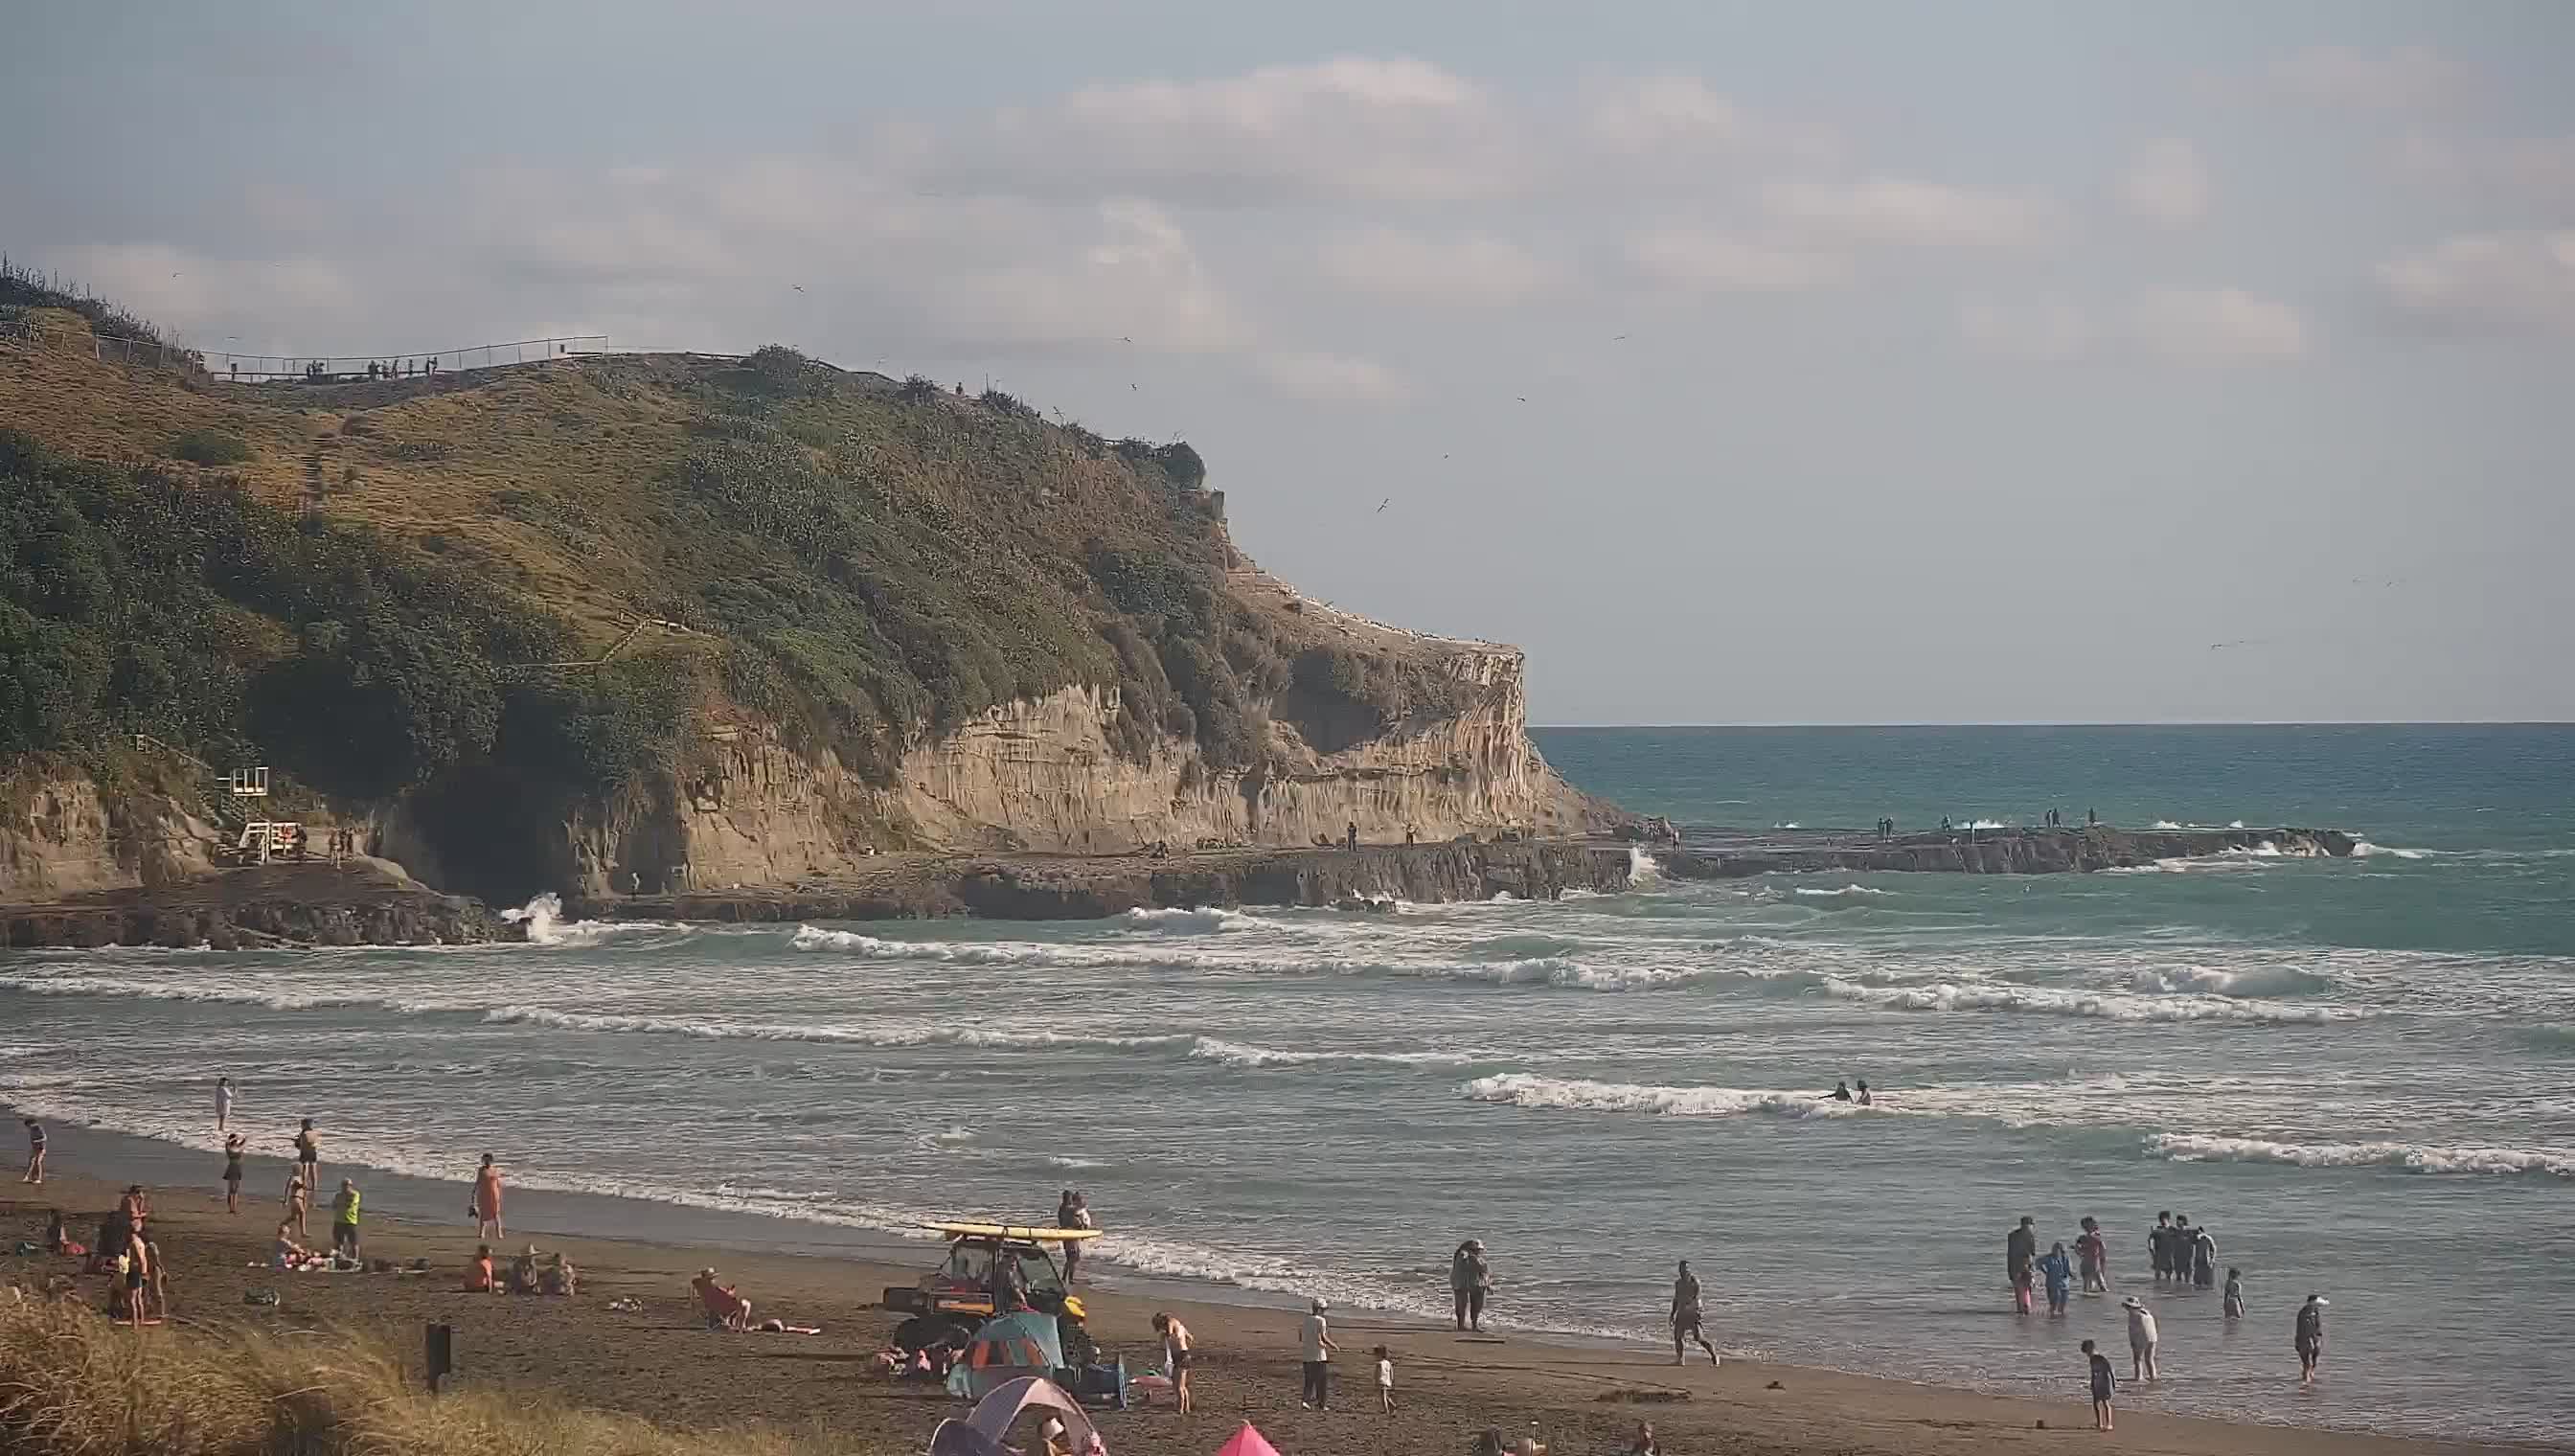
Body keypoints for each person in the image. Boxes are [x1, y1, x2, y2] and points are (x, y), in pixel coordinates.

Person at [1670, 1260, 1719, 1365]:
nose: (1683, 1271)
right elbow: (1676, 1299)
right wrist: (1672, 1314)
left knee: (1699, 1338)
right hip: (1681, 1312)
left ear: (1689, 1270)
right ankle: (1680, 1360)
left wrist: (1695, 1309)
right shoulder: (1678, 1283)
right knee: (1678, 1337)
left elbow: (1698, 1297)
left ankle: (1714, 1355)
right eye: (1681, 1269)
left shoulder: (1694, 1281)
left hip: (1693, 1312)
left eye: (1686, 1269)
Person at [1298, 1297, 1337, 1409]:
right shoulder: (1321, 1321)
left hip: (1307, 1354)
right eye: (1323, 1309)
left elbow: (1301, 1337)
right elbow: (1323, 1337)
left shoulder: (1306, 1320)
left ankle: (1305, 1401)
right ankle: (1322, 1404)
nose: (1324, 1312)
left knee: (1309, 1381)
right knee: (1321, 1382)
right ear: (1319, 1309)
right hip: (1319, 1355)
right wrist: (1333, 1345)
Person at [1151, 1311, 1194, 1413]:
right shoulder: (1180, 1326)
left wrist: (1163, 1337)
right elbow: (1190, 1338)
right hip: (1184, 1355)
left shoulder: (1170, 1322)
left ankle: (1180, 1409)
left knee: (1178, 1386)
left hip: (1180, 1356)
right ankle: (1186, 1407)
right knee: (1181, 1386)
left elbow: (1169, 1333)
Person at [693, 1267, 753, 1331]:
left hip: (712, 1307)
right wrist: (731, 1291)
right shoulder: (717, 1289)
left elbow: (694, 1285)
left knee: (714, 1309)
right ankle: (742, 1326)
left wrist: (694, 1301)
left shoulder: (697, 1283)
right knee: (746, 1304)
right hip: (723, 1308)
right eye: (713, 1278)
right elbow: (730, 1296)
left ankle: (719, 1324)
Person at [1451, 1240, 1492, 1331]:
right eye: (1475, 1250)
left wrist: (1488, 1284)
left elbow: (1485, 1272)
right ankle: (1462, 1325)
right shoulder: (1463, 1256)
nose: (1478, 1252)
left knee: (1476, 1303)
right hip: (1460, 1282)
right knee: (1462, 1304)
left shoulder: (1477, 1259)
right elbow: (1464, 1257)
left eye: (1478, 1250)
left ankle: (1473, 1325)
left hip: (1472, 1282)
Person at [2123, 1296, 2160, 1381]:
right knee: (2149, 1359)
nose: (2126, 1308)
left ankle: (2138, 1377)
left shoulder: (2133, 1315)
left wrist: (2133, 1342)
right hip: (2152, 1338)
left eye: (2127, 1306)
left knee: (2137, 1359)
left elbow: (2133, 1330)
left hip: (2141, 1338)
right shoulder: (2147, 1313)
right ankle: (2153, 1376)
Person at [2006, 1216, 2038, 1315]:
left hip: (2015, 1265)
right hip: (2023, 1264)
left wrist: (2010, 1268)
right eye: (2031, 1225)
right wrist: (2032, 1267)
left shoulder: (2012, 1236)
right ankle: (2025, 1309)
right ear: (2029, 1225)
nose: (2032, 1227)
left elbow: (2010, 1253)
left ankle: (2021, 1309)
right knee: (2026, 1287)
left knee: (2019, 1288)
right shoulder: (2029, 1235)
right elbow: (2032, 1253)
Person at [2084, 1338, 2116, 1431]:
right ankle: (2099, 1424)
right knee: (2096, 1403)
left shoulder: (2101, 1358)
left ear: (2091, 1349)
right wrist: (2092, 1383)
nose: (2087, 1354)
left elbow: (2111, 1370)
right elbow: (2093, 1372)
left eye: (2087, 1352)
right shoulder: (2092, 1359)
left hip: (2105, 1382)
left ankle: (2109, 1424)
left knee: (2105, 1403)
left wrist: (2113, 1383)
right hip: (2097, 1382)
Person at [2295, 1293, 2327, 1384]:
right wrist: (2310, 1339)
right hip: (2304, 1338)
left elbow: (2317, 1324)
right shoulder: (2304, 1312)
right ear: (2311, 1302)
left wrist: (2318, 1337)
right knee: (2306, 1361)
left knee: (2314, 1359)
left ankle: (2309, 1374)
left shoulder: (2315, 1310)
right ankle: (2306, 1380)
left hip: (2315, 1337)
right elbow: (2304, 1328)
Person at [473, 1153, 505, 1240]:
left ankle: (499, 1233)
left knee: (496, 1214)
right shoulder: (481, 1170)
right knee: (483, 1214)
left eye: (488, 1160)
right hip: (484, 1195)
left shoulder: (495, 1170)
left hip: (494, 1194)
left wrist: (500, 1195)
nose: (487, 1162)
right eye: (485, 1160)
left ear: (491, 1160)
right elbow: (478, 1182)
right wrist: (474, 1191)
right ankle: (481, 1232)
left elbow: (498, 1184)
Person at [2039, 1240, 2075, 1315]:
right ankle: (2051, 1318)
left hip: (2064, 1284)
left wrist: (2072, 1275)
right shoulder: (2048, 1258)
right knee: (2054, 1304)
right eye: (2055, 1248)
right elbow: (2037, 1263)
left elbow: (2069, 1270)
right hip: (2052, 1285)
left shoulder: (2066, 1258)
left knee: (2062, 1307)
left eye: (2059, 1249)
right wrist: (2044, 1271)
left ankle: (2059, 1320)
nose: (2056, 1251)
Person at [330, 1177, 361, 1260]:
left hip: (350, 1221)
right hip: (338, 1220)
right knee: (338, 1242)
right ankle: (338, 1258)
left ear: (350, 1186)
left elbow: (349, 1204)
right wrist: (341, 1203)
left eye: (347, 1185)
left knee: (353, 1242)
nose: (345, 1187)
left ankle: (355, 1259)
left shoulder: (355, 1194)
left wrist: (340, 1203)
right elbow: (333, 1205)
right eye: (343, 1185)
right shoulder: (338, 1195)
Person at [2075, 1217, 2108, 1294]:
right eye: (2087, 1225)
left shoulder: (2095, 1237)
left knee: (2100, 1285)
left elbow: (2103, 1249)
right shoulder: (2083, 1237)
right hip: (2088, 1265)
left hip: (2094, 1265)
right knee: (2089, 1286)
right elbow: (2078, 1248)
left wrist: (2081, 1252)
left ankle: (2099, 1298)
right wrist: (2081, 1252)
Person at [294, 1118, 320, 1193]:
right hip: (313, 1153)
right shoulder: (315, 1133)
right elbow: (314, 1143)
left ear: (305, 1125)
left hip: (304, 1153)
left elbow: (299, 1145)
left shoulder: (303, 1133)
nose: (301, 1126)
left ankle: (304, 1185)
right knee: (313, 1170)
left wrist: (296, 1141)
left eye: (302, 1125)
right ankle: (314, 1187)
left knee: (304, 1169)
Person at [222, 1133, 246, 1214]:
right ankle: (231, 1209)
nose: (236, 1141)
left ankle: (234, 1209)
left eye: (236, 1140)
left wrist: (241, 1137)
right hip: (232, 1169)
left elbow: (245, 1140)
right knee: (231, 1190)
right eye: (235, 1140)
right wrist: (234, 1138)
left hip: (238, 1169)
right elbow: (226, 1142)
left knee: (236, 1190)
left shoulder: (238, 1147)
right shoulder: (229, 1148)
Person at [2191, 1221, 2218, 1289]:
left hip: (2207, 1261)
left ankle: (2207, 1292)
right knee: (2197, 1281)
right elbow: (2192, 1242)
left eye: (2199, 1231)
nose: (2198, 1233)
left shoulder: (2208, 1238)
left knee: (2208, 1280)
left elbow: (2214, 1249)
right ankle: (2199, 1292)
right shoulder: (2196, 1239)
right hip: (2198, 1261)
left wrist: (2212, 1260)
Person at [2150, 1211, 2174, 1284]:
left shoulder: (2173, 1230)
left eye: (2164, 1219)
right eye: (2161, 1219)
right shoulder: (2157, 1230)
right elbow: (2151, 1241)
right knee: (2158, 1274)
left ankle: (2168, 1287)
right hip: (2159, 1254)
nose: (2162, 1221)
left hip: (2169, 1254)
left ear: (2168, 1219)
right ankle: (2158, 1287)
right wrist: (2153, 1254)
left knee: (2169, 1274)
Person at [285, 1173, 309, 1239]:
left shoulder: (301, 1178)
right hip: (295, 1197)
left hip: (299, 1198)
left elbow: (304, 1193)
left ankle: (282, 1225)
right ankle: (303, 1233)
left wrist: (305, 1202)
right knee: (302, 1212)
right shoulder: (294, 1177)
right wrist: (301, 1185)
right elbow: (294, 1184)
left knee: (294, 1217)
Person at [1374, 1344, 1396, 1414]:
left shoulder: (1379, 1364)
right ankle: (1392, 1406)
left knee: (1383, 1397)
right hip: (1387, 1381)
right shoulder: (1388, 1363)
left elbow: (1377, 1374)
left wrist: (1376, 1381)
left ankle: (1386, 1410)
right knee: (1385, 1396)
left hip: (1381, 1381)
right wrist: (1391, 1380)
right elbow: (1391, 1372)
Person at [20, 1117, 42, 1184]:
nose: (28, 1127)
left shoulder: (39, 1128)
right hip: (34, 1148)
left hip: (41, 1148)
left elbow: (45, 1138)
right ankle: (28, 1177)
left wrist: (36, 1141)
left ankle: (39, 1179)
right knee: (31, 1162)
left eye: (28, 1125)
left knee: (37, 1162)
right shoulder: (31, 1129)